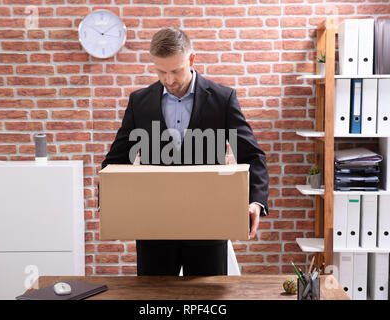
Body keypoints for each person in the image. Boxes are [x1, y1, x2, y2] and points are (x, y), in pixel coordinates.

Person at [101, 27, 269, 276]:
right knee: (154, 299)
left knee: (208, 298)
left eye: (176, 71)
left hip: (208, 224)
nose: (169, 80)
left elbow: (251, 155)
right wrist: (112, 205)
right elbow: (115, 161)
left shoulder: (222, 99)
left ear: (191, 60)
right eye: (161, 71)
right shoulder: (140, 101)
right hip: (154, 227)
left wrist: (255, 201)